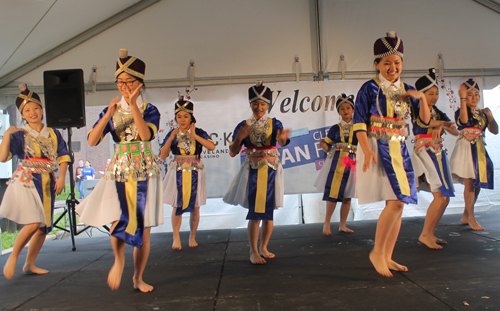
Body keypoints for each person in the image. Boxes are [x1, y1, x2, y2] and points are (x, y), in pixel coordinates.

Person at [75, 49, 163, 292]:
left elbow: (146, 136)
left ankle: (138, 277)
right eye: (120, 82)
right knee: (117, 217)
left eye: (130, 82)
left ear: (140, 84)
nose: (125, 87)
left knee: (143, 227)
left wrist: (133, 105)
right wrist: (107, 115)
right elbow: (92, 141)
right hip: (120, 169)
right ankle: (118, 259)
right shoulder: (111, 109)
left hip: (145, 168)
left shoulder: (150, 109)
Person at [353, 32, 430, 277]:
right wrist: (366, 151)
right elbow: (359, 123)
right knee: (396, 202)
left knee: (398, 203)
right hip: (377, 147)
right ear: (377, 64)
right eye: (386, 63)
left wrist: (421, 98)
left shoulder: (408, 89)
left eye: (397, 63)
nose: (392, 68)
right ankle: (377, 252)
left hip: (400, 149)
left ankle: (386, 255)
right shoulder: (369, 88)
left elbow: (425, 121)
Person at [0, 84, 70, 279]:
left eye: (35, 108)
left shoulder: (54, 134)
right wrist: (6, 134)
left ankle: (29, 264)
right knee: (33, 223)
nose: (32, 113)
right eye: (27, 110)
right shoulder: (19, 135)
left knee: (42, 228)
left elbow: (63, 156)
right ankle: (13, 257)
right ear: (22, 114)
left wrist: (62, 177)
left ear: (42, 110)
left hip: (47, 181)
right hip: (26, 182)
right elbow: (2, 157)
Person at [224, 81, 290, 265]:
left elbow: (281, 140)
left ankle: (264, 247)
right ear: (250, 104)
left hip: (271, 170)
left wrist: (283, 139)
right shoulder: (243, 125)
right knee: (255, 213)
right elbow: (232, 151)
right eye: (255, 103)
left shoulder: (274, 123)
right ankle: (253, 251)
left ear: (267, 105)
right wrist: (239, 138)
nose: (259, 107)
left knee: (269, 212)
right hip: (252, 171)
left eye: (262, 104)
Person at [411, 69, 459, 249]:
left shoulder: (438, 112)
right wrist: (440, 125)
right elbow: (424, 123)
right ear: (422, 95)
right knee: (439, 197)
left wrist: (443, 124)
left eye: (436, 93)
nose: (434, 96)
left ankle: (430, 233)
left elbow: (455, 130)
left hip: (438, 153)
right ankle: (424, 234)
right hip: (425, 152)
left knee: (445, 198)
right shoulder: (417, 108)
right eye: (430, 93)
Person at [160, 97, 215, 250]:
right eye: (179, 116)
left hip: (195, 170)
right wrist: (170, 138)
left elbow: (211, 147)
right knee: (177, 205)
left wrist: (195, 136)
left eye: (185, 116)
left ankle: (192, 236)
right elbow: (163, 155)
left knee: (196, 205)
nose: (182, 119)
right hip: (178, 169)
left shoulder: (199, 132)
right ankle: (175, 236)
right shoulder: (173, 133)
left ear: (191, 117)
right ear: (175, 117)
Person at [449, 79, 498, 230]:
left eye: (476, 95)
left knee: (477, 185)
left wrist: (490, 117)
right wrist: (463, 100)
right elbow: (464, 121)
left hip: (480, 149)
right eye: (470, 95)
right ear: (464, 97)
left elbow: (495, 131)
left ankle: (466, 214)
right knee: (470, 183)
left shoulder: (482, 113)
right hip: (466, 148)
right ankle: (472, 218)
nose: (474, 97)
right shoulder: (461, 111)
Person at [314, 94, 357, 235]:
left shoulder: (359, 127)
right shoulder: (334, 128)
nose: (345, 111)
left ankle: (342, 225)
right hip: (337, 161)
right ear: (339, 112)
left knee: (348, 194)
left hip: (352, 162)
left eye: (348, 108)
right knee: (333, 192)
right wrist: (323, 146)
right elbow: (328, 148)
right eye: (342, 108)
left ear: (353, 109)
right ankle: (326, 223)